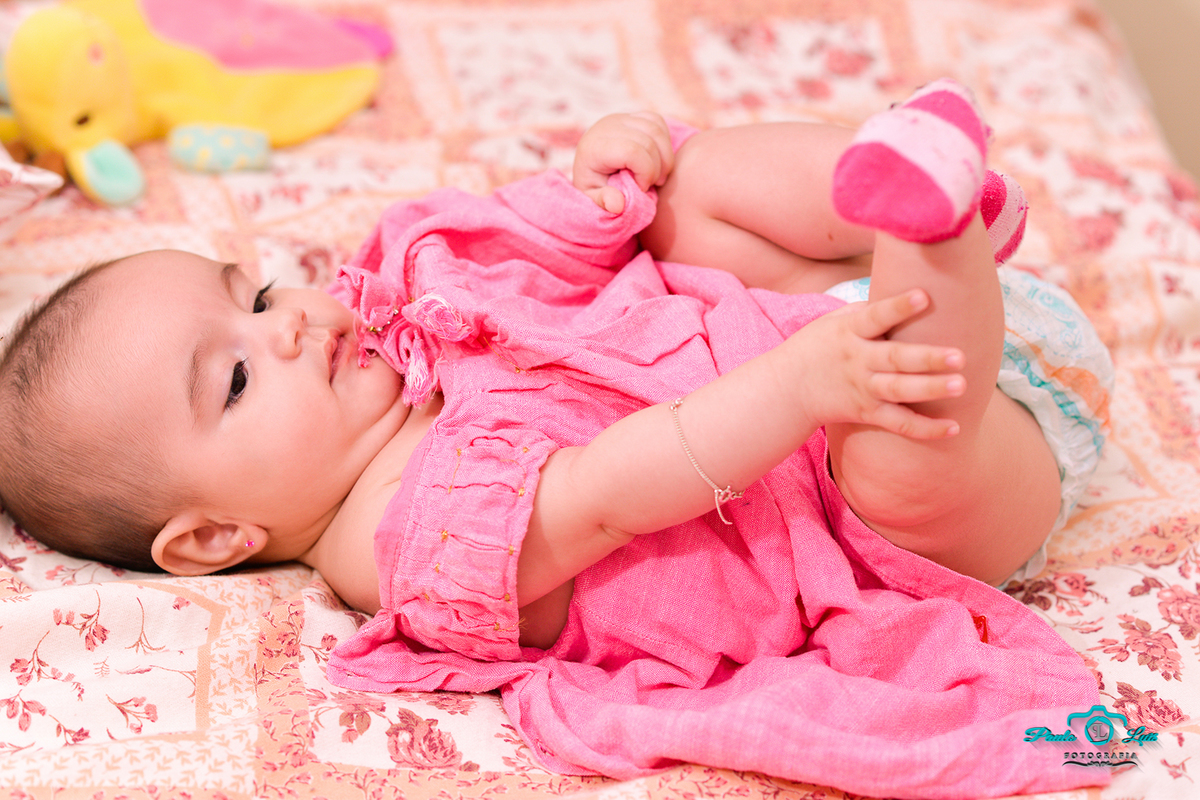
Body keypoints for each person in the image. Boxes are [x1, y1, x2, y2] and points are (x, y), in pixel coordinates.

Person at [0, 81, 1114, 794]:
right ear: (213, 537)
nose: (287, 323)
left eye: (253, 294)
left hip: (817, 312)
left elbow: (557, 246)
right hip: (895, 484)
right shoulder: (405, 545)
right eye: (238, 376)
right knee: (897, 466)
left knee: (695, 190)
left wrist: (604, 183)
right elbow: (612, 487)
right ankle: (936, 239)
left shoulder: (396, 309)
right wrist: (799, 386)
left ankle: (902, 184)